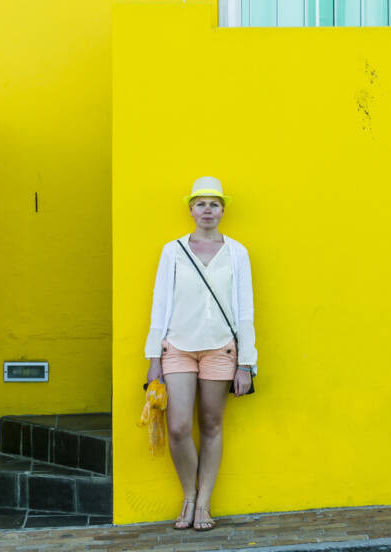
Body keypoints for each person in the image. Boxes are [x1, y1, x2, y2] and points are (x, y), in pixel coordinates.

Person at [144, 176, 258, 532]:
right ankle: (189, 496)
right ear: (190, 210)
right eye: (200, 203)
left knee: (211, 424)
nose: (207, 210)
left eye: (214, 204)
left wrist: (246, 363)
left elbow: (244, 310)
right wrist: (153, 359)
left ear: (223, 210)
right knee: (178, 427)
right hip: (177, 346)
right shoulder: (172, 250)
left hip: (221, 349)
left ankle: (204, 503)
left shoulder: (237, 252)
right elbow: (160, 304)